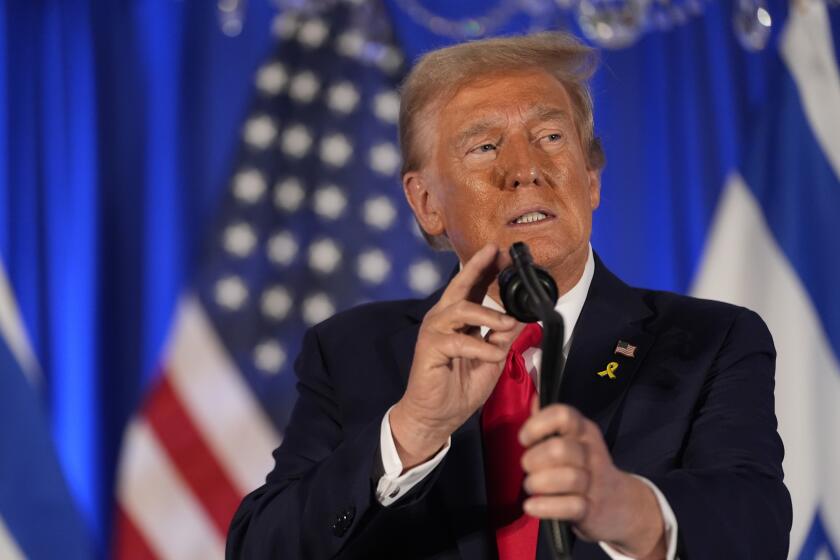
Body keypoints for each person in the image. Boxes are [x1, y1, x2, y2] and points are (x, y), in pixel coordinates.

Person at [226, 32, 792, 559]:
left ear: (590, 178)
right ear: (426, 203)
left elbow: (757, 526)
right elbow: (260, 547)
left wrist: (628, 509)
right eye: (485, 147)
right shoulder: (350, 350)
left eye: (550, 138)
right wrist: (412, 431)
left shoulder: (709, 340)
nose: (525, 170)